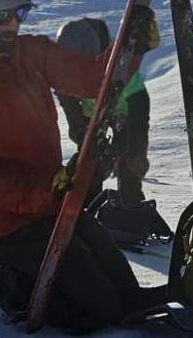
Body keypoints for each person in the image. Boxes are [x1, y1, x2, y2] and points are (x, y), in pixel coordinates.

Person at [0, 0, 166, 331]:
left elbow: (93, 81)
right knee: (90, 313)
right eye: (2, 16)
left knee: (124, 296)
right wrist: (45, 188)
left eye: (19, 14)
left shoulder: (30, 53)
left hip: (55, 209)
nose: (13, 25)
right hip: (6, 228)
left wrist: (131, 48)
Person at [54, 17, 152, 207]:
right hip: (92, 113)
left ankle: (131, 209)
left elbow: (139, 109)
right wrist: (81, 133)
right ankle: (86, 206)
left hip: (127, 112)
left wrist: (131, 150)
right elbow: (67, 99)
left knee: (129, 164)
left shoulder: (122, 62)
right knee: (89, 161)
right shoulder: (65, 64)